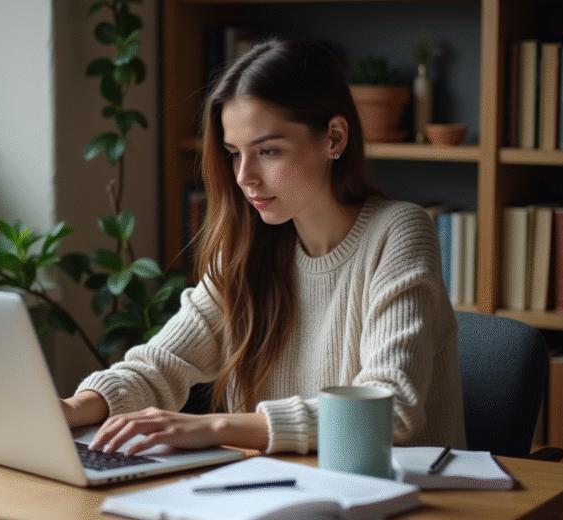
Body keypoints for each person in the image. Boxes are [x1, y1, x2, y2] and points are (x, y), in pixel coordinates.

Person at [61, 38, 466, 456]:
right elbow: (160, 365)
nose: (244, 177)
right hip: (275, 492)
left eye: (268, 151)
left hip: (397, 499)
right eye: (234, 154)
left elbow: (391, 408)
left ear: (334, 138)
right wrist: (73, 408)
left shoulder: (398, 232)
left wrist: (215, 426)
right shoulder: (247, 245)